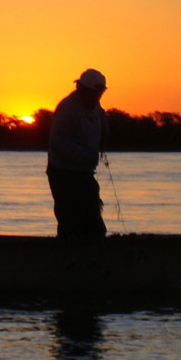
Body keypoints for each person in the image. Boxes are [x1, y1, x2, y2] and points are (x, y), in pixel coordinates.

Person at [46, 69, 109, 241]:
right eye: (94, 93)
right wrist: (85, 155)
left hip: (85, 172)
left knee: (94, 221)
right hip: (62, 173)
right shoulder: (67, 108)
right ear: (82, 89)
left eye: (100, 93)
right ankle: (67, 256)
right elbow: (57, 143)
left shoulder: (96, 106)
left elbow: (102, 124)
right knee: (70, 221)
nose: (97, 97)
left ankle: (95, 253)